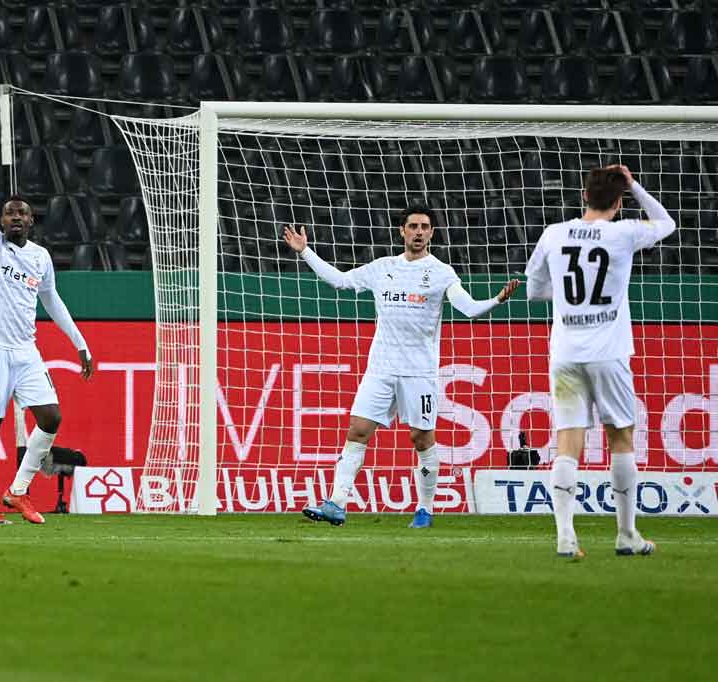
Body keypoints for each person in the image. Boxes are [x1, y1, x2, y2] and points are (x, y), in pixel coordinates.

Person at [283, 207, 519, 528]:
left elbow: (469, 309)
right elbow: (339, 281)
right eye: (413, 226)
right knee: (358, 431)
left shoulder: (441, 272)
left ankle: (424, 509)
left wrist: (496, 300)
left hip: (418, 372)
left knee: (421, 439)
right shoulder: (383, 268)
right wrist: (305, 252)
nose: (418, 232)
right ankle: (337, 503)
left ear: (432, 233)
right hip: (381, 368)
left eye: (424, 227)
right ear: (402, 231)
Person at [525, 165, 673, 558]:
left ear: (584, 196)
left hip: (566, 354)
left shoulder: (554, 234)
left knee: (568, 441)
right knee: (620, 437)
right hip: (609, 354)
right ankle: (626, 535)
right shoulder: (624, 232)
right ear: (619, 201)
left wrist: (563, 298)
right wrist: (636, 184)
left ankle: (565, 536)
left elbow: (534, 287)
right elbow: (666, 223)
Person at [0, 153, 93, 525]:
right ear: (2, 220)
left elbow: (52, 300)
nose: (15, 218)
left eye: (21, 213)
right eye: (9, 213)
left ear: (31, 221)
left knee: (51, 417)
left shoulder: (40, 257)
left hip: (26, 350)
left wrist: (80, 343)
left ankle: (18, 490)